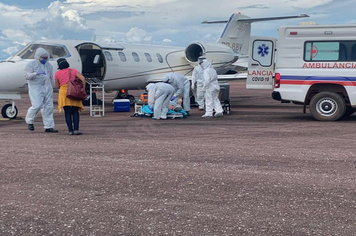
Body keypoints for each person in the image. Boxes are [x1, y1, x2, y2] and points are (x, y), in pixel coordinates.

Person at [24, 47, 58, 133]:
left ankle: (49, 126)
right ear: (38, 56)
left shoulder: (49, 66)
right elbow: (26, 76)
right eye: (43, 58)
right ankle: (29, 121)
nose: (44, 60)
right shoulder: (31, 65)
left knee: (49, 107)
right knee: (37, 105)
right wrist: (36, 73)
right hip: (36, 87)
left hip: (47, 87)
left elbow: (51, 77)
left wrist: (55, 86)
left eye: (46, 58)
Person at [54, 58, 86, 135]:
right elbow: (83, 79)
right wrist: (82, 88)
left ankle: (70, 130)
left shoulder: (57, 73)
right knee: (75, 111)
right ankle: (76, 130)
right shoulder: (73, 71)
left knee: (67, 112)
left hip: (63, 92)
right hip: (74, 91)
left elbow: (57, 86)